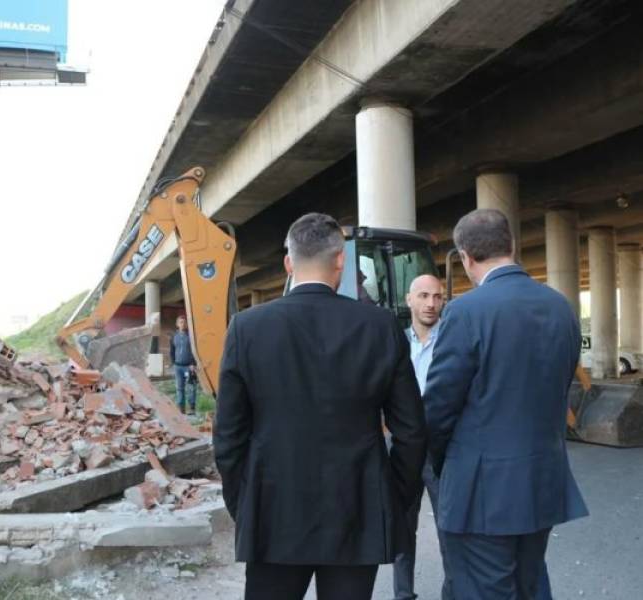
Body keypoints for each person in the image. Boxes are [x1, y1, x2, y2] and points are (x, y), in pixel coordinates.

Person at [214, 212, 427, 600]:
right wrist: (392, 495)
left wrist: (244, 503)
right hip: (356, 508)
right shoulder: (379, 326)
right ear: (341, 261)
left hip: (273, 509)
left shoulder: (247, 328)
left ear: (288, 264)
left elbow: (228, 436)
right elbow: (411, 430)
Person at [423, 209, 588, 600]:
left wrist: (440, 463)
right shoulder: (561, 307)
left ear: (465, 258)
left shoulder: (465, 312)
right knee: (529, 584)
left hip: (481, 490)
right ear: (512, 246)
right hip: (543, 479)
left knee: (483, 589)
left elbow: (439, 408)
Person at [392, 274, 453, 600]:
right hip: (404, 448)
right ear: (409, 299)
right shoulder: (396, 343)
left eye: (438, 297)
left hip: (443, 447)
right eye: (424, 296)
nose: (431, 303)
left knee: (449, 528)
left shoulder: (453, 341)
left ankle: (452, 593)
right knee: (403, 528)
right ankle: (403, 596)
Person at [169, 315, 197, 414]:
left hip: (188, 366)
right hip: (178, 367)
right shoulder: (174, 337)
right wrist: (173, 363)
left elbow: (195, 351)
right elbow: (172, 351)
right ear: (177, 324)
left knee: (191, 387)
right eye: (180, 322)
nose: (183, 324)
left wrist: (193, 363)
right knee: (179, 387)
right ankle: (181, 408)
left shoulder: (191, 336)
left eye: (184, 322)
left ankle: (192, 408)